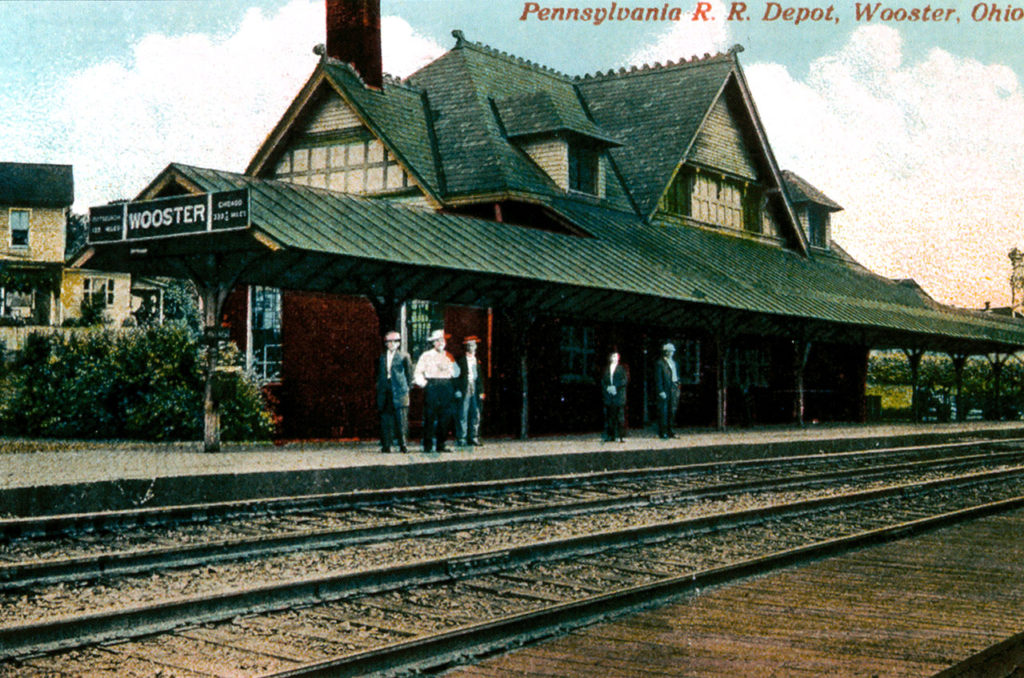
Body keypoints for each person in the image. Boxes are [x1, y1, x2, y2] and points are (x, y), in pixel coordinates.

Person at [413, 329, 460, 453]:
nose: (440, 343)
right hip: (432, 385)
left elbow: (457, 372)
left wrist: (448, 368)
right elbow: (418, 372)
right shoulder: (426, 355)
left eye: (442, 340)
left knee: (445, 416)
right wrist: (426, 384)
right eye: (438, 341)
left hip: (446, 386)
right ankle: (427, 445)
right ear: (433, 343)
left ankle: (441, 444)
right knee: (430, 416)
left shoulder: (448, 355)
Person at [377, 330, 413, 453]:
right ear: (386, 343)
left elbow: (409, 375)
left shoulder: (404, 356)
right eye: (389, 341)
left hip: (399, 390)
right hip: (386, 389)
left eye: (395, 341)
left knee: (401, 419)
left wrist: (406, 389)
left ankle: (403, 444)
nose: (392, 344)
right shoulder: (382, 356)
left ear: (399, 343)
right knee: (386, 418)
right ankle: (387, 444)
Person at [455, 335, 485, 447]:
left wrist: (481, 391)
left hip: (475, 388)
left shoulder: (477, 361)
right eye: (471, 345)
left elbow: (480, 377)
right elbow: (456, 376)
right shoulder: (460, 361)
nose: (473, 347)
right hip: (464, 387)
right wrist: (457, 390)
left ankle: (474, 437)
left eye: (474, 345)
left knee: (475, 412)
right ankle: (462, 438)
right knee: (463, 412)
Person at [654, 341, 681, 439]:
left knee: (672, 410)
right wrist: (660, 390)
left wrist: (678, 385)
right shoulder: (660, 363)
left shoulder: (674, 363)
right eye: (669, 351)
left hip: (674, 387)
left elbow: (677, 375)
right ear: (665, 352)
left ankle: (671, 430)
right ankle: (663, 431)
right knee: (664, 410)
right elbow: (658, 378)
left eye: (672, 351)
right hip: (665, 388)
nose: (671, 353)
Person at [601, 350, 628, 442]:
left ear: (618, 358)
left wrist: (615, 387)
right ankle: (610, 435)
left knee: (620, 417)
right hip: (609, 396)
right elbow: (603, 381)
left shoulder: (622, 368)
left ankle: (620, 436)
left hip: (618, 395)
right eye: (612, 357)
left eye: (616, 357)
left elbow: (624, 380)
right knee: (610, 417)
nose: (614, 358)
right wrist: (607, 388)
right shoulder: (606, 369)